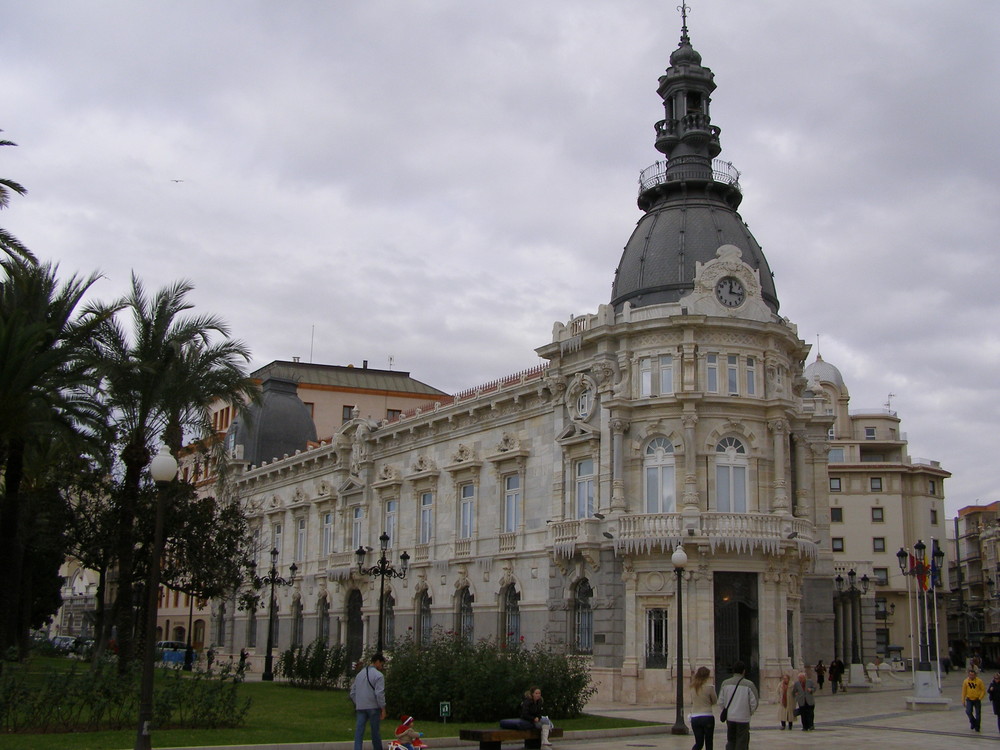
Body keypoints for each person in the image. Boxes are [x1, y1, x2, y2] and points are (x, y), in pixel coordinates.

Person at [351, 653, 388, 750]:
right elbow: (379, 693)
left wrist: (358, 702)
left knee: (359, 731)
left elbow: (352, 692)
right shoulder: (379, 676)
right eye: (381, 664)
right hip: (373, 706)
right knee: (375, 731)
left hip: (361, 707)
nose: (381, 667)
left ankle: (357, 748)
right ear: (377, 662)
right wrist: (383, 708)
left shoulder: (360, 674)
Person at [717, 661, 757, 750]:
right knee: (742, 741)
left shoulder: (725, 683)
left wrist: (726, 711)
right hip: (743, 718)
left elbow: (720, 701)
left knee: (731, 740)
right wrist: (749, 712)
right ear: (744, 671)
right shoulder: (749, 684)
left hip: (730, 717)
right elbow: (754, 702)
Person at [689, 666, 717, 750]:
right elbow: (715, 701)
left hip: (695, 717)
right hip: (707, 716)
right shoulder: (710, 687)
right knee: (709, 742)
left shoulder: (692, 687)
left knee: (699, 743)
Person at [963, 668, 986, 733]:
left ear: (975, 675)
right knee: (968, 711)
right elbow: (964, 691)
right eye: (970, 675)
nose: (971, 676)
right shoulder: (966, 681)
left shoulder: (979, 681)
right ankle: (973, 721)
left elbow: (983, 690)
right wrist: (963, 700)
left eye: (972, 675)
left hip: (977, 699)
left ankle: (977, 726)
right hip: (969, 699)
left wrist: (980, 697)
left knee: (978, 713)